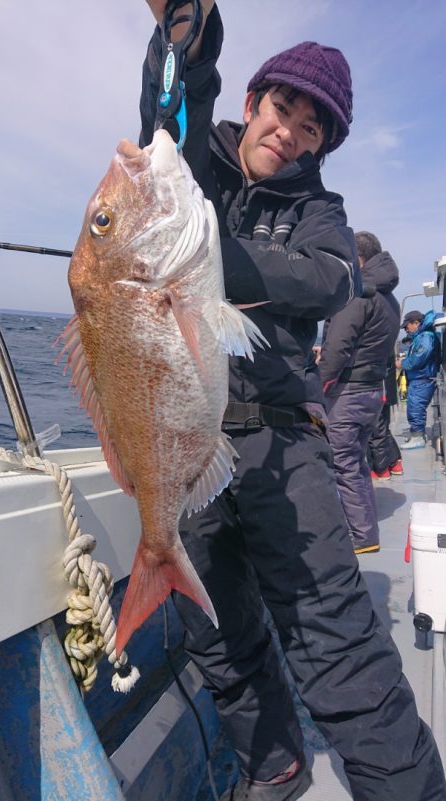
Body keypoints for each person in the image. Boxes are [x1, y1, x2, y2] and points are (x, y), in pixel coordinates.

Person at [139, 4, 446, 800]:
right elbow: (169, 108)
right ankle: (272, 761)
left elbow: (322, 278)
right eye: (283, 108)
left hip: (286, 441)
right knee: (217, 632)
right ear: (252, 103)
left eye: (313, 128)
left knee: (335, 638)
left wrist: (201, 256)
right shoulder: (193, 167)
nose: (291, 132)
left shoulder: (322, 214)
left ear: (323, 146)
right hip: (186, 437)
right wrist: (187, 37)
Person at [318, 231, 400, 553]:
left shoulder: (357, 295)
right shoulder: (389, 298)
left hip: (349, 393)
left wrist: (319, 382)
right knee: (357, 461)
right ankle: (364, 527)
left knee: (342, 461)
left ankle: (362, 536)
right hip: (371, 392)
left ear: (359, 259)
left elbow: (337, 349)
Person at [397, 310, 441, 449]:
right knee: (414, 407)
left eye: (407, 326)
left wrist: (402, 364)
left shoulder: (425, 337)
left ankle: (418, 438)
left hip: (422, 379)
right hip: (420, 378)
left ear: (416, 323)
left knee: (416, 408)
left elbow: (420, 357)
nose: (405, 329)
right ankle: (418, 435)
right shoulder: (422, 336)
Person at [367, 352, 404, 479]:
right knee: (382, 427)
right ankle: (394, 462)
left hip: (374, 388)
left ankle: (380, 469)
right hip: (384, 388)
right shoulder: (386, 334)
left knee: (374, 430)